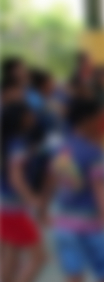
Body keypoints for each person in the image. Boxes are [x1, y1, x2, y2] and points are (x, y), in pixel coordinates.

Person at [49, 99, 104, 282]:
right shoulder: (93, 153)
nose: (103, 124)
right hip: (90, 226)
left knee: (73, 276)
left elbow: (52, 182)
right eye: (99, 119)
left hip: (63, 224)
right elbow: (102, 196)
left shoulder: (62, 147)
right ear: (87, 120)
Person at [0, 104, 46, 282]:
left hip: (6, 205)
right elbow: (15, 177)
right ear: (22, 118)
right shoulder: (18, 143)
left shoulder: (9, 141)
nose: (33, 115)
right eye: (29, 112)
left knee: (11, 254)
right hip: (15, 208)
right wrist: (33, 199)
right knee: (39, 258)